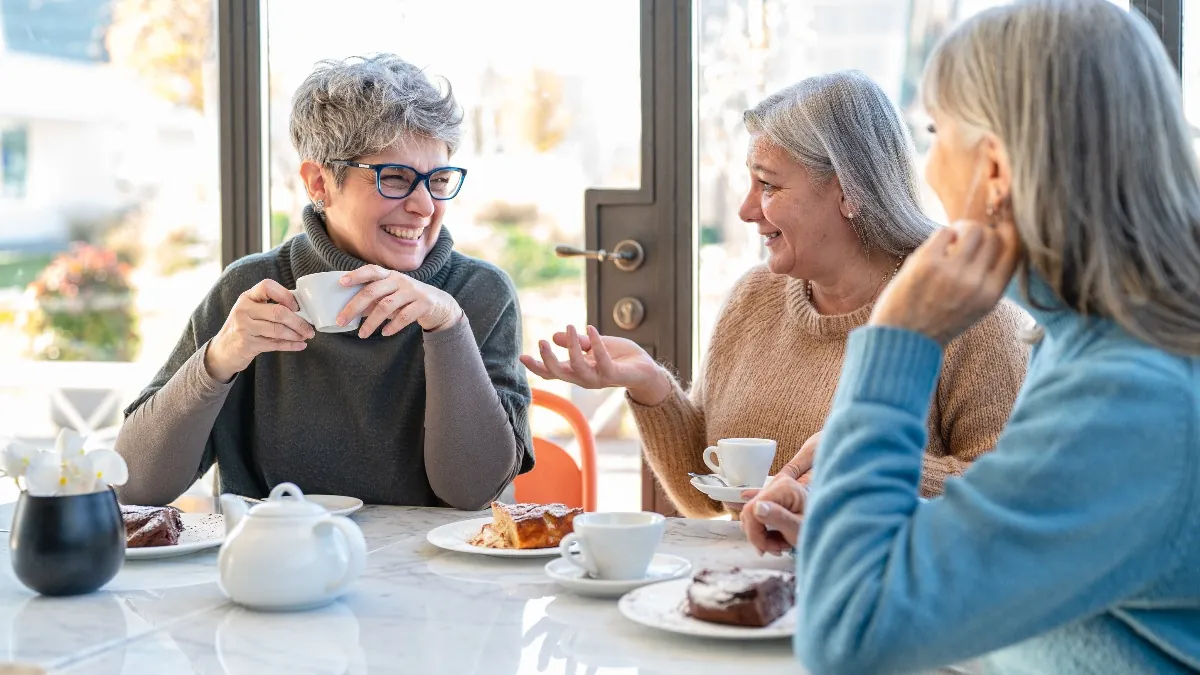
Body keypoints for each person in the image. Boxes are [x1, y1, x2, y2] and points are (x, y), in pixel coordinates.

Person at [744, 2, 1200, 672]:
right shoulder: (1097, 343)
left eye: (933, 131)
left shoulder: (1128, 392)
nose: (924, 170)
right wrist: (866, 534)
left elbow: (847, 637)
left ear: (994, 170)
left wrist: (897, 340)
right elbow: (1041, 552)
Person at [523, 71, 1027, 517]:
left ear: (849, 190)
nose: (745, 209)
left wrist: (858, 465)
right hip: (747, 595)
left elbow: (1010, 499)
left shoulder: (972, 316)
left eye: (767, 185)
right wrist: (651, 386)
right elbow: (707, 497)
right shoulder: (755, 297)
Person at [114, 55, 533, 509]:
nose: (424, 206)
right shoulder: (253, 289)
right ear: (319, 182)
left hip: (429, 573)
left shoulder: (478, 295)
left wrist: (447, 327)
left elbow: (472, 491)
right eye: (395, 178)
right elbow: (136, 486)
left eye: (438, 180)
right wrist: (219, 359)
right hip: (274, 568)